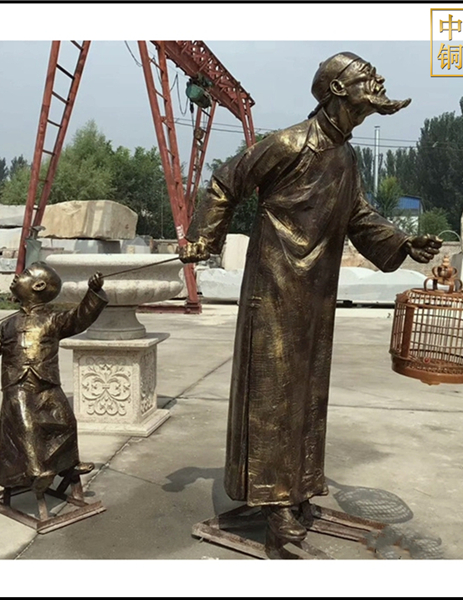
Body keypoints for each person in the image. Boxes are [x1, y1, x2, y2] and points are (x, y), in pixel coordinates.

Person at [179, 52, 442, 549]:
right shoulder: (289, 143)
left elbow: (359, 216)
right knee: (272, 395)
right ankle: (274, 502)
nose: (378, 81)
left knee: (307, 393)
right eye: (367, 76)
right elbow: (226, 181)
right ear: (338, 89)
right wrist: (203, 239)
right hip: (274, 289)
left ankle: (297, 489)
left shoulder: (345, 157)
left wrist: (404, 243)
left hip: (316, 293)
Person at [0, 262, 108, 494]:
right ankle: (37, 472)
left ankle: (69, 464)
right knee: (26, 426)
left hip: (46, 382)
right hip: (17, 384)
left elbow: (80, 317)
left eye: (25, 274)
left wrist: (93, 292)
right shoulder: (7, 324)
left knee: (65, 421)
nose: (17, 276)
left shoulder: (53, 320)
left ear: (39, 285)